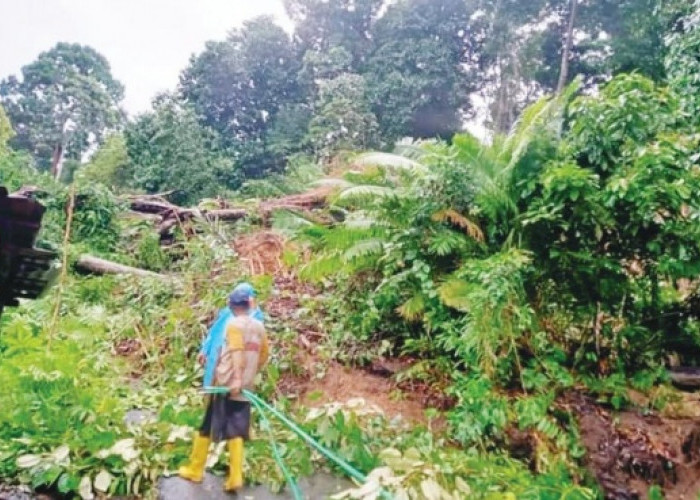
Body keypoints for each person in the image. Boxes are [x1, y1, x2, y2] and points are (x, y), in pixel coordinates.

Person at [178, 284, 269, 492]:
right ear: (250, 303)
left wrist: (236, 378)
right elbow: (263, 355)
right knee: (237, 427)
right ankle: (236, 476)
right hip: (246, 386)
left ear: (231, 304)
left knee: (207, 424)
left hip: (227, 384)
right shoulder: (259, 326)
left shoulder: (234, 324)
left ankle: (195, 469)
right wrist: (248, 376)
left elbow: (236, 350)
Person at [198, 282, 264, 388]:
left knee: (227, 389)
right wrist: (205, 350)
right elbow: (214, 331)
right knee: (212, 384)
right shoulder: (227, 313)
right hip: (216, 354)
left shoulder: (255, 317)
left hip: (235, 362)